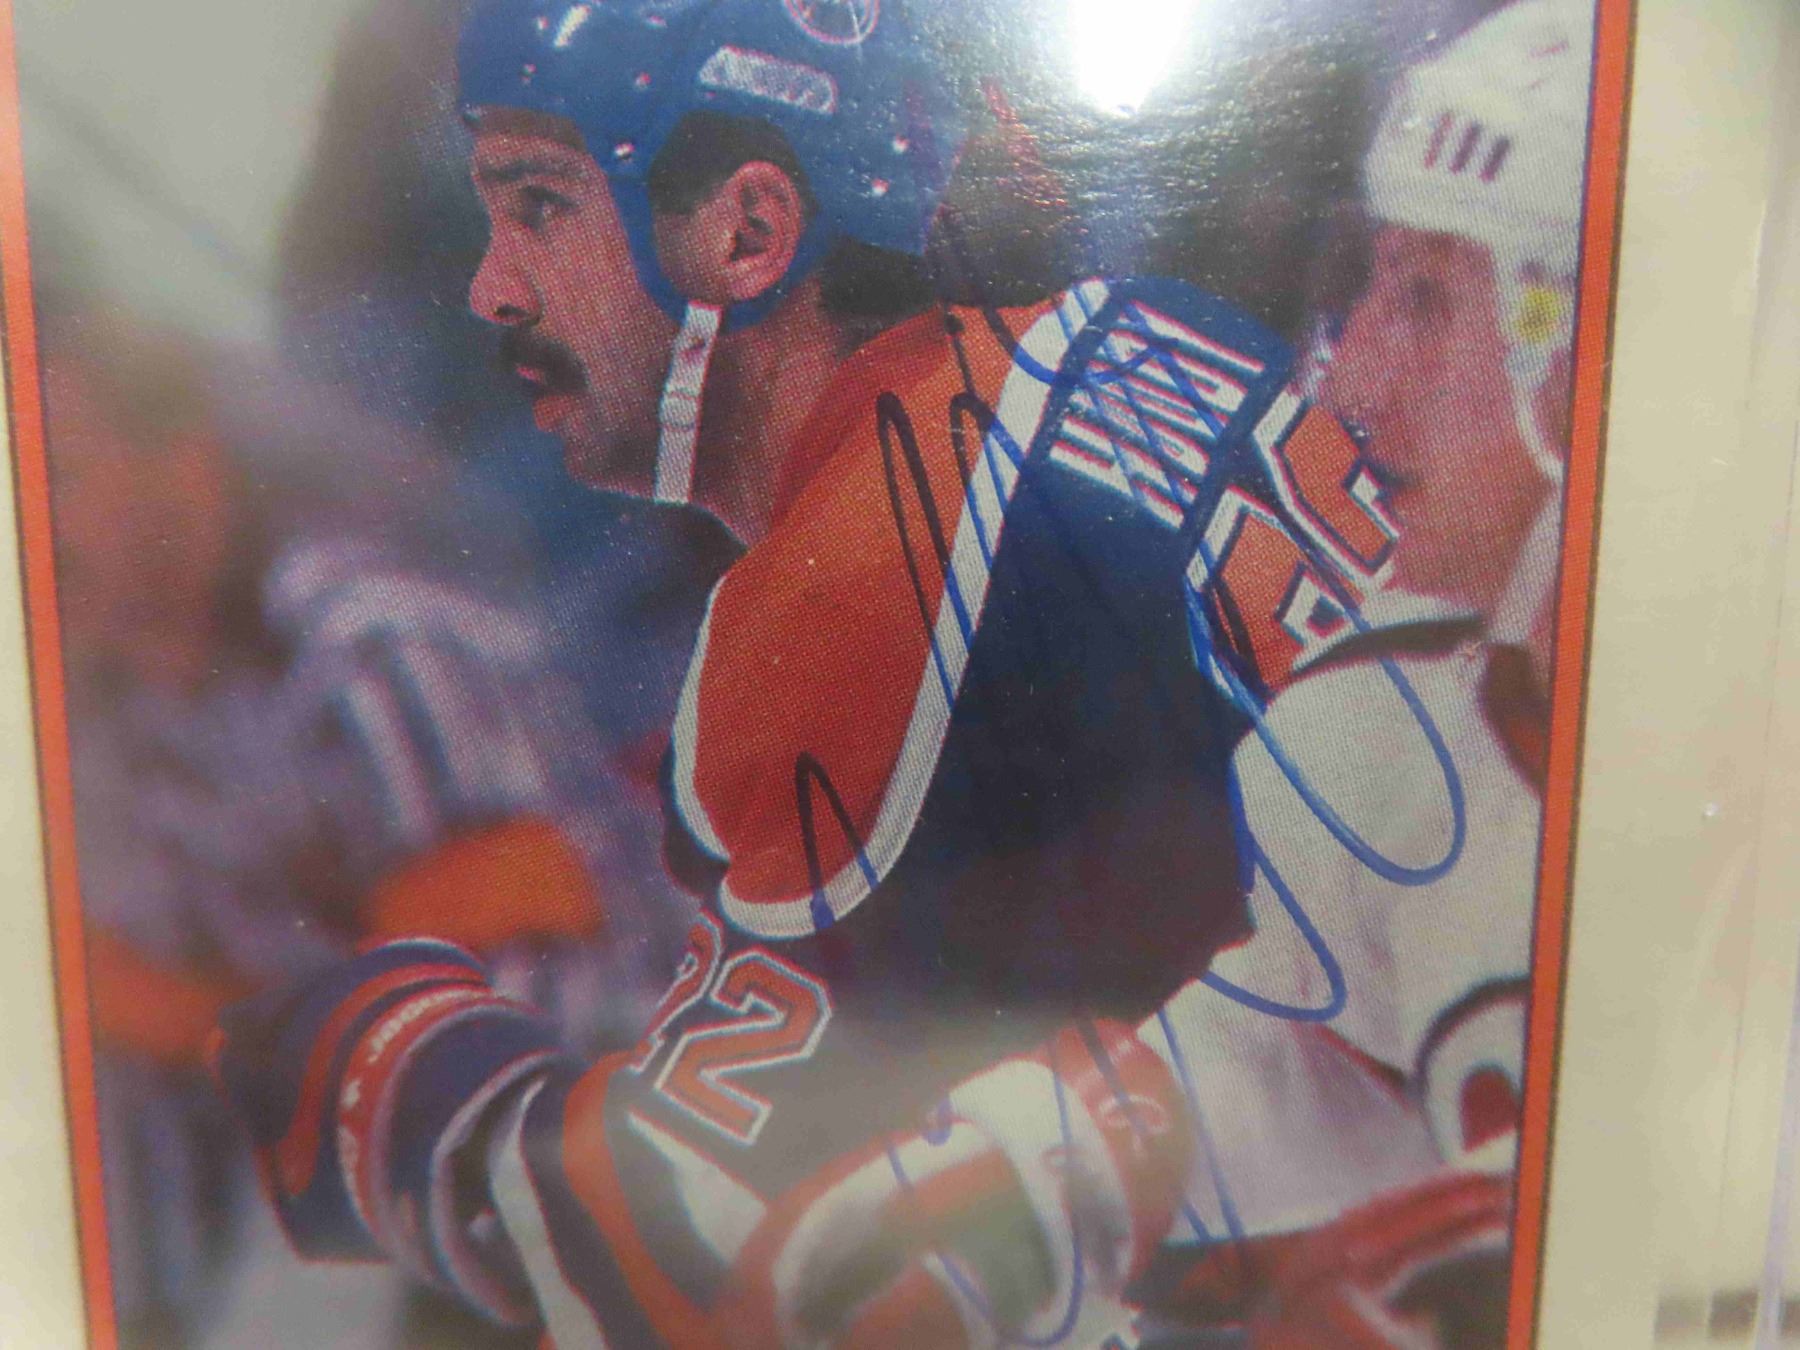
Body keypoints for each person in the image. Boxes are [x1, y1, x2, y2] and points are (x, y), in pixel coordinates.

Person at [209, 1, 1422, 1344]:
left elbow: (704, 1263)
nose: (492, 286)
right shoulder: (1129, 328)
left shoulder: (848, 577)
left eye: (541, 205)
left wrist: (398, 1085)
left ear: (749, 233)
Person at [1137, 2, 1589, 1341]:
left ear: (1599, 352)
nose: (1354, 390)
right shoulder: (1375, 722)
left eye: (1428, 299)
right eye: (1376, 289)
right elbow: (1200, 1119)